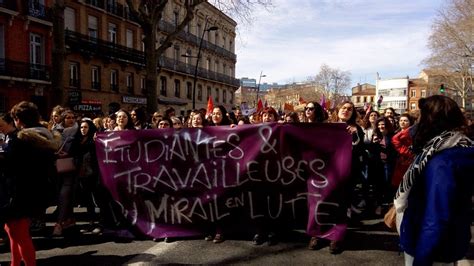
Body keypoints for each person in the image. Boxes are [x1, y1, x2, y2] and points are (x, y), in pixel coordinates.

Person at [395, 95, 474, 265]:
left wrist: (422, 261)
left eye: (421, 116)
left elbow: (436, 218)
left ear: (430, 120)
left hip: (429, 245)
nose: (418, 121)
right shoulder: (456, 146)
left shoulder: (442, 162)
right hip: (452, 238)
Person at [3, 101, 60, 266]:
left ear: (18, 120)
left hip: (20, 191)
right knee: (13, 230)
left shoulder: (22, 139)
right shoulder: (44, 135)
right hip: (35, 190)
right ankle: (15, 263)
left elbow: (13, 166)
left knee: (18, 232)